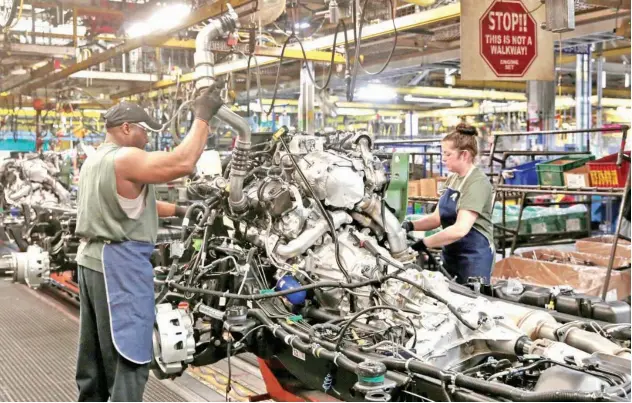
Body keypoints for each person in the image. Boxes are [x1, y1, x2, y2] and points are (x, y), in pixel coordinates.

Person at [74, 85, 224, 402]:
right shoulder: (126, 158)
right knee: (129, 357)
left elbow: (131, 204)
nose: (147, 139)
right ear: (126, 128)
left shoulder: (95, 160)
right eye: (144, 131)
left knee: (97, 361)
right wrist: (203, 115)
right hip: (119, 266)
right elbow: (182, 162)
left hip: (91, 261)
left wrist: (182, 211)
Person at [402, 124, 494, 284]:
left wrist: (424, 243)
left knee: (471, 302)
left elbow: (460, 229)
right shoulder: (453, 179)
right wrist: (409, 225)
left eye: (447, 154)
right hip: (451, 253)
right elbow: (436, 218)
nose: (443, 158)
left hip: (473, 258)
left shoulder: (477, 183)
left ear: (464, 155)